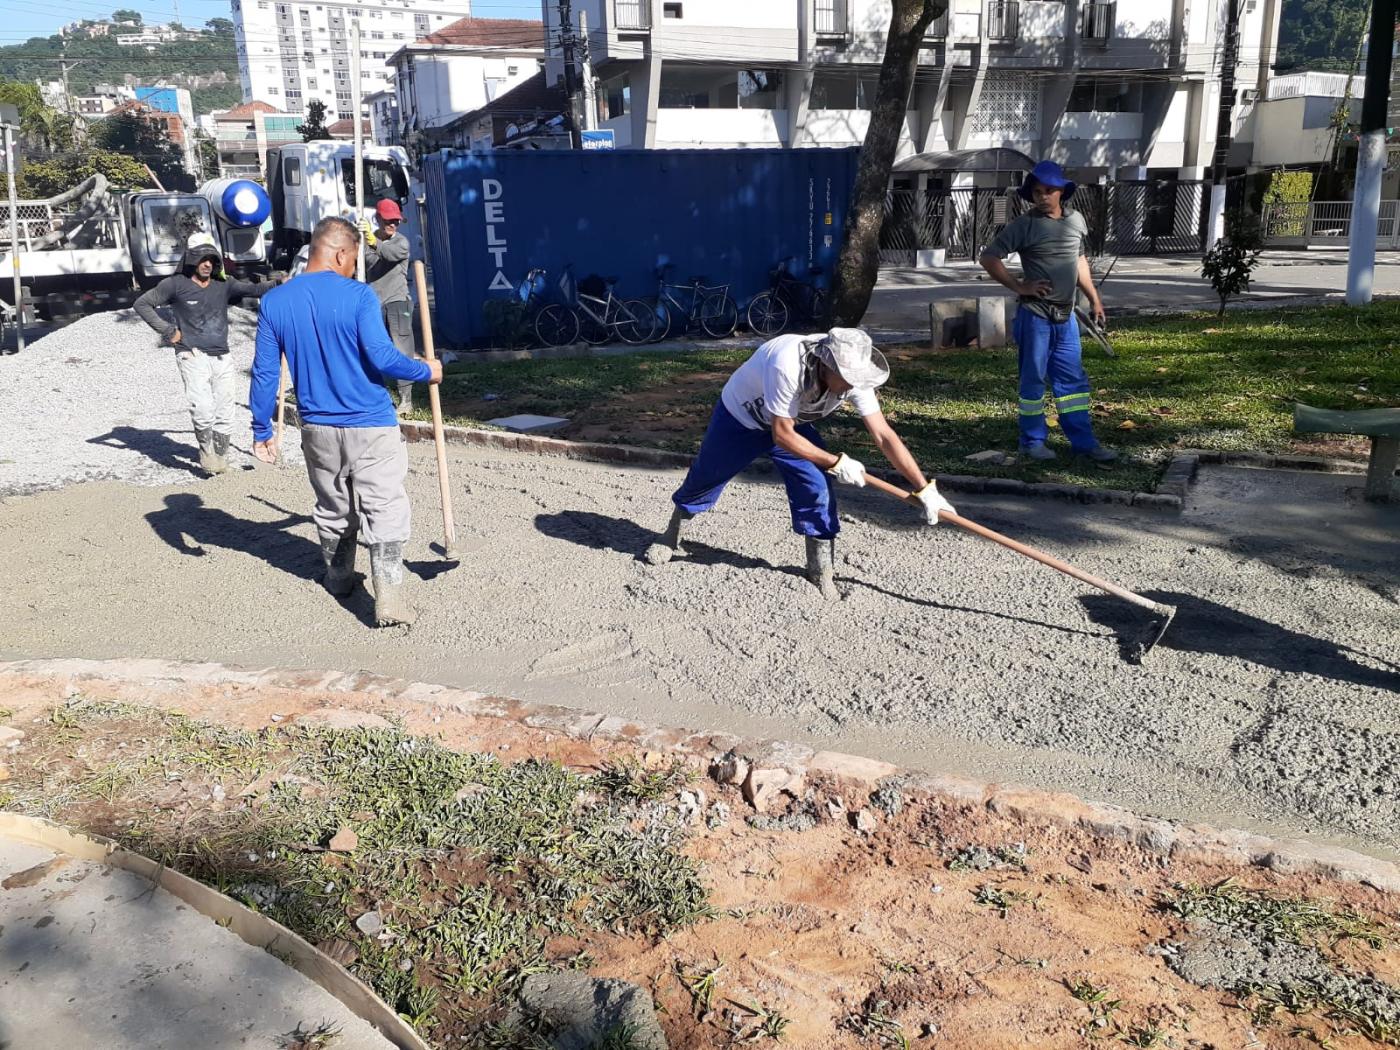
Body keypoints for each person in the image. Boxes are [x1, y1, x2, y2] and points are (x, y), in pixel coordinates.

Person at [644, 327, 956, 599]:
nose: (850, 387)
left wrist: (924, 488)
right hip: (742, 419)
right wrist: (837, 461)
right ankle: (671, 533)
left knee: (816, 485)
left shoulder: (853, 374)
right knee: (707, 475)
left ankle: (820, 571)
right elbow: (781, 435)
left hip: (792, 424)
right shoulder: (787, 364)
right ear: (825, 364)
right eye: (845, 380)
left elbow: (884, 435)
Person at [249, 217, 443, 627]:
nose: (354, 265)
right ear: (340, 253)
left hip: (317, 427)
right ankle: (388, 596)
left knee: (333, 505)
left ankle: (338, 578)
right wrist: (427, 371)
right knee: (384, 504)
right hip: (370, 423)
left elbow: (266, 374)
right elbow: (382, 357)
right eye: (354, 257)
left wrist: (262, 430)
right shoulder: (358, 296)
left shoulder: (276, 302)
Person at [979, 160, 1116, 464]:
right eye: (1037, 191)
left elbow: (1079, 260)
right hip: (1035, 316)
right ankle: (1032, 442)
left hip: (1066, 317)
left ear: (1062, 192)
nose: (1042, 196)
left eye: (1049, 190)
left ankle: (1084, 443)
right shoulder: (1024, 226)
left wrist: (1094, 298)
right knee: (1034, 380)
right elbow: (988, 258)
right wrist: (1020, 286)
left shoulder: (1076, 221)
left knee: (1073, 382)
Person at [133, 236, 278, 475]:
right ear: (192, 259)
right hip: (192, 355)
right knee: (202, 408)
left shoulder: (224, 284)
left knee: (225, 410)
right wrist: (169, 331)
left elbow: (254, 289)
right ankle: (206, 453)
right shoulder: (175, 284)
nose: (208, 264)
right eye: (203, 258)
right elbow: (142, 304)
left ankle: (220, 461)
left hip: (222, 356)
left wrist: (281, 283)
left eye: (212, 259)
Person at [361, 199, 419, 416]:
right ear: (378, 218)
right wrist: (366, 241)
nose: (393, 224)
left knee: (401, 349)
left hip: (398, 301)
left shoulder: (402, 242)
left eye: (396, 221)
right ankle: (377, 397)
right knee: (374, 349)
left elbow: (389, 254)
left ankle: (406, 400)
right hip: (374, 303)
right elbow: (368, 262)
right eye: (388, 221)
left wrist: (373, 242)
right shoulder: (367, 242)